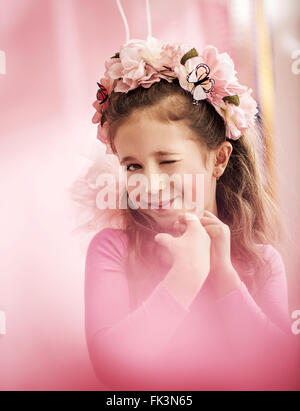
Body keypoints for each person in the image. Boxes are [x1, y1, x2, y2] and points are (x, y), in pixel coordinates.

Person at [74, 32, 300, 390]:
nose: (149, 183)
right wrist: (187, 273)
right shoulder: (113, 249)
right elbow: (113, 370)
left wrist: (224, 274)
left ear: (219, 159)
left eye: (167, 161)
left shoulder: (261, 262)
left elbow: (278, 370)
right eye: (133, 166)